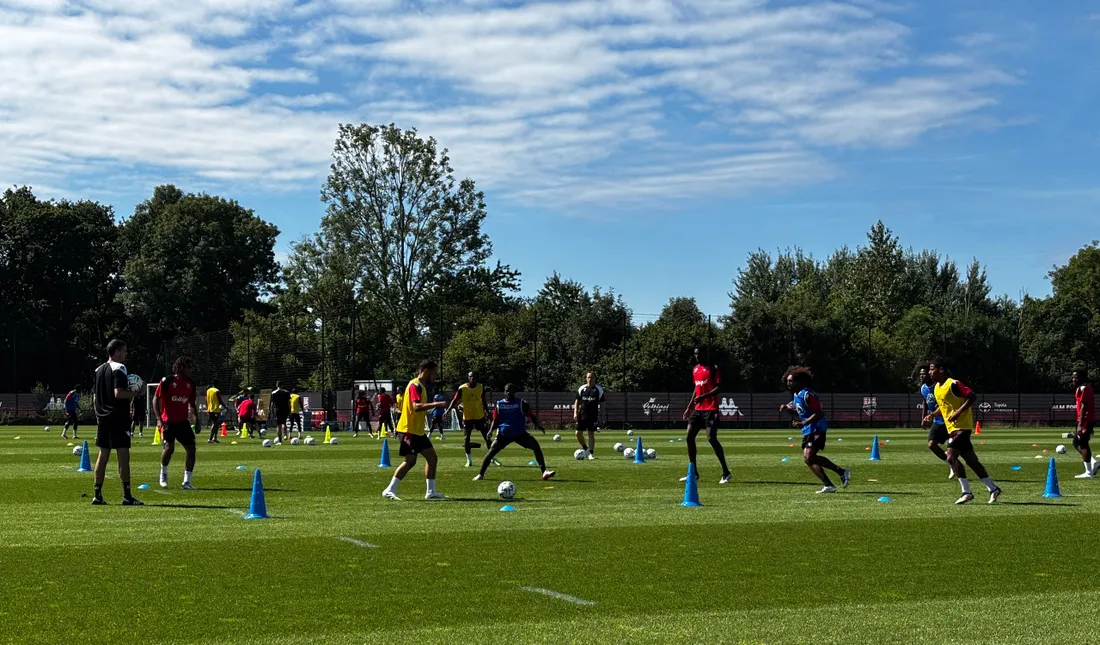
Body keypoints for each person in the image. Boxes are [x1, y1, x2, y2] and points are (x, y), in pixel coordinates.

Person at [925, 357, 1002, 505]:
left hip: (962, 427)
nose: (930, 371)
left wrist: (959, 412)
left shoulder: (953, 383)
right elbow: (944, 407)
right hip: (951, 428)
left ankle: (966, 492)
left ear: (941, 370)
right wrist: (932, 415)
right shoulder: (936, 388)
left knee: (950, 457)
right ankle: (993, 488)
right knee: (972, 461)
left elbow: (972, 396)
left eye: (932, 368)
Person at [382, 361, 449, 501]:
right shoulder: (415, 385)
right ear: (426, 371)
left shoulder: (423, 387)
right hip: (408, 430)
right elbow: (416, 406)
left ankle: (431, 491)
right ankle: (389, 489)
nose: (436, 376)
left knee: (432, 458)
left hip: (417, 431)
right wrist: (437, 404)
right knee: (410, 460)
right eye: (434, 372)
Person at [781, 367, 850, 494]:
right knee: (808, 459)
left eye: (791, 381)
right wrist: (787, 409)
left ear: (799, 382)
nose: (788, 383)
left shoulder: (808, 395)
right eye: (788, 381)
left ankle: (841, 471)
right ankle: (829, 485)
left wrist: (803, 423)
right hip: (808, 430)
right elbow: (800, 412)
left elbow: (818, 413)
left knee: (809, 456)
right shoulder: (796, 396)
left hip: (817, 428)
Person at [91, 339, 142, 506]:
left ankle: (97, 495)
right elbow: (119, 393)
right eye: (124, 351)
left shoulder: (99, 370)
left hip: (103, 418)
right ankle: (127, 496)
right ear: (117, 351)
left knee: (103, 455)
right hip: (118, 418)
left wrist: (99, 414)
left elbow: (96, 397)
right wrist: (135, 393)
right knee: (123, 456)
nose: (126, 355)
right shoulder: (119, 368)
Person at [474, 383, 556, 482]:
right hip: (504, 435)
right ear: (504, 392)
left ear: (514, 392)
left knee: (536, 446)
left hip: (520, 434)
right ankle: (480, 474)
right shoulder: (499, 404)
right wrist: (491, 431)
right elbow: (495, 420)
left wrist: (538, 425)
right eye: (507, 390)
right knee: (490, 452)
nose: (509, 392)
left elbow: (531, 415)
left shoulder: (521, 403)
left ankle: (544, 472)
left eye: (511, 390)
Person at [681, 346, 732, 484]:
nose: (697, 356)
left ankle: (726, 472)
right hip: (698, 409)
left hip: (710, 408)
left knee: (711, 438)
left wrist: (704, 396)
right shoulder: (695, 369)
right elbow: (696, 389)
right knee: (689, 437)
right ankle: (693, 472)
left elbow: (718, 388)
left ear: (705, 353)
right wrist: (689, 407)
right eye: (695, 354)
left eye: (699, 353)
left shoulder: (713, 368)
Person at [154, 356, 201, 490]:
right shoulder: (167, 381)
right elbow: (155, 400)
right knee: (169, 449)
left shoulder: (191, 384)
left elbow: (192, 404)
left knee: (191, 449)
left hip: (182, 422)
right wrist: (159, 419)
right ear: (180, 367)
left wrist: (196, 420)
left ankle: (187, 481)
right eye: (189, 367)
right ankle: (163, 474)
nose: (191, 370)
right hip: (168, 421)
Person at [446, 372, 498, 468]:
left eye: (474, 376)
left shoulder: (480, 387)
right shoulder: (462, 388)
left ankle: (493, 458)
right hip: (467, 417)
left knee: (487, 437)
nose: (473, 378)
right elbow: (454, 400)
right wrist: (448, 410)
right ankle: (469, 460)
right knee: (466, 439)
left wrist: (487, 413)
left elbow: (484, 401)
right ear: (468, 378)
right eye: (471, 376)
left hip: (479, 416)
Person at [919, 364, 952, 479]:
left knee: (956, 449)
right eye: (920, 374)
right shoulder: (923, 388)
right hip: (937, 421)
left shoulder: (938, 386)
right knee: (932, 444)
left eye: (924, 373)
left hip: (949, 420)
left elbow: (944, 405)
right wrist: (924, 417)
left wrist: (931, 415)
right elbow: (925, 403)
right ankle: (951, 464)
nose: (922, 376)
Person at [573, 372, 605, 460]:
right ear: (586, 378)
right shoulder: (582, 388)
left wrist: (601, 416)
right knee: (577, 433)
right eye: (588, 377)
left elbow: (602, 404)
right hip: (582, 415)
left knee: (591, 434)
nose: (589, 379)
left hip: (593, 416)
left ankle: (590, 454)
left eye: (591, 377)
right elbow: (577, 401)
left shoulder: (599, 390)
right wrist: (575, 413)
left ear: (595, 378)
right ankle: (585, 449)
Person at [1072, 368, 1096, 479]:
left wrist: (1081, 424)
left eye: (1076, 377)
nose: (1073, 379)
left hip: (1085, 419)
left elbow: (1084, 406)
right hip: (1085, 419)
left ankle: (1089, 472)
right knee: (1076, 442)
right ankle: (1093, 462)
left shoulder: (1084, 388)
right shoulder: (1081, 388)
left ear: (1082, 378)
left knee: (1082, 443)